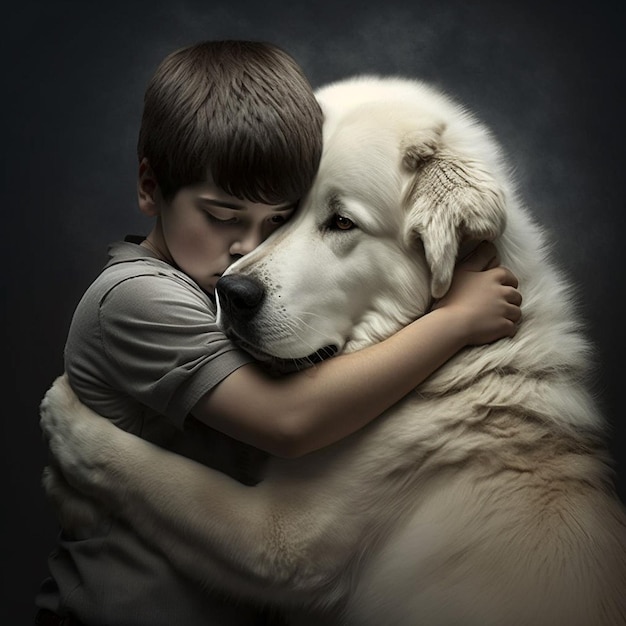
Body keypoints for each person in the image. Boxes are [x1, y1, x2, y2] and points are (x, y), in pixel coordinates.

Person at [36, 40, 522, 626]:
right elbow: (290, 422)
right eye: (222, 217)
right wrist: (454, 322)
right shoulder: (139, 297)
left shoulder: (200, 282)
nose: (249, 250)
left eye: (276, 221)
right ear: (149, 188)